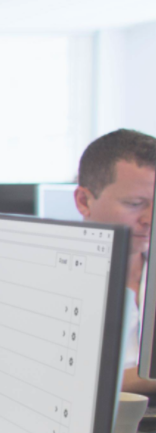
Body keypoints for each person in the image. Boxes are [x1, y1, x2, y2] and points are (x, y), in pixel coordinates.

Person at [74, 129, 155, 396]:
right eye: (135, 203)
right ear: (84, 201)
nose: (150, 218)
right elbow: (63, 387)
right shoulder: (51, 279)